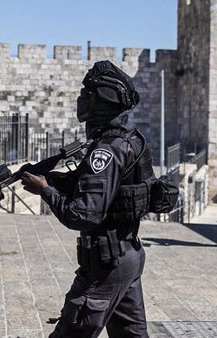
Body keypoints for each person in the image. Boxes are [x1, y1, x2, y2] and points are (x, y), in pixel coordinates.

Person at [21, 60, 154, 338]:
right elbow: (104, 192)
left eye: (86, 94)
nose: (81, 100)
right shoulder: (129, 140)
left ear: (100, 101)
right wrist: (48, 179)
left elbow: (84, 214)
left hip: (105, 264)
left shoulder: (105, 150)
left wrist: (45, 190)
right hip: (127, 255)